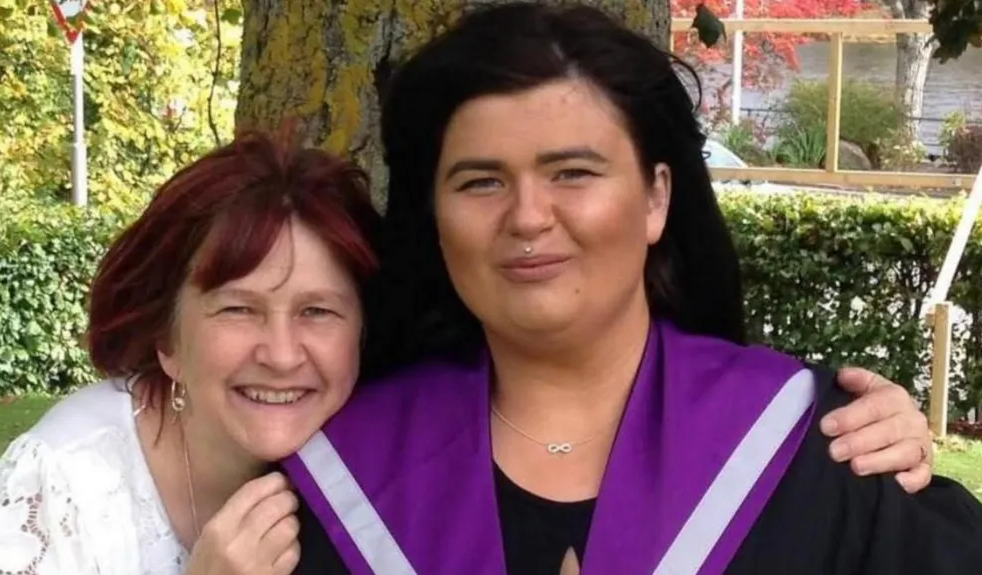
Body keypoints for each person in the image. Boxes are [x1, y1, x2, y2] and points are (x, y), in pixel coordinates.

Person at [283, 3, 982, 574]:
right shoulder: (340, 485)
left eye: (573, 173)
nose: (528, 215)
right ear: (435, 218)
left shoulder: (822, 451)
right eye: (481, 181)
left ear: (655, 199)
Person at [0, 130, 381, 574]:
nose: (281, 355)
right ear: (167, 338)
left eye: (316, 311)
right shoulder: (67, 488)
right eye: (237, 309)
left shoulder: (388, 465)